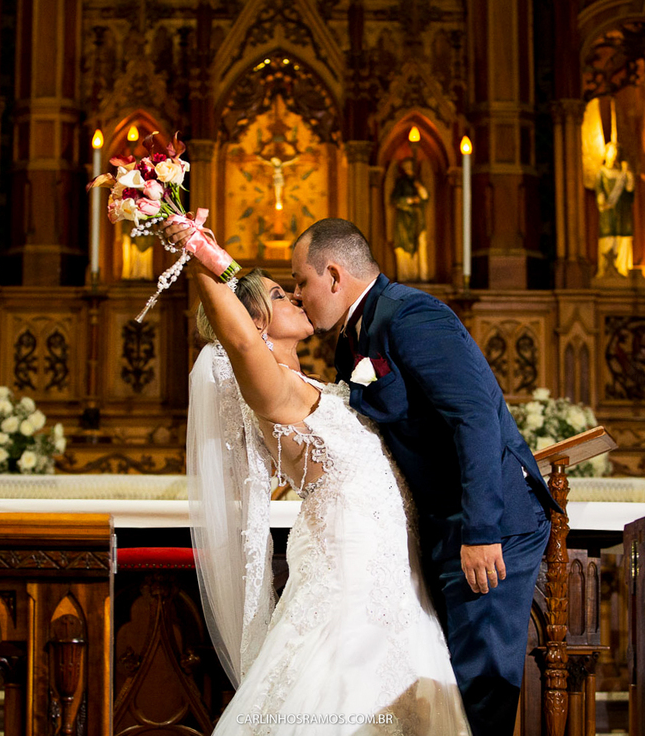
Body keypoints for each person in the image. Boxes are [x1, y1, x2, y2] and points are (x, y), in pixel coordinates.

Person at [290, 218, 559, 736]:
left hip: (489, 523)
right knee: (451, 681)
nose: (300, 295)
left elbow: (475, 416)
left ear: (333, 273)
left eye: (301, 281)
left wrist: (481, 530)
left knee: (481, 686)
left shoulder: (410, 315)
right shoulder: (355, 332)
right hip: (442, 523)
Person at [185, 259, 471, 734]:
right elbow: (236, 340)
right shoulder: (273, 392)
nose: (296, 297)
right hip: (349, 585)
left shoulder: (319, 388)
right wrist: (198, 256)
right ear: (253, 322)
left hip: (398, 583)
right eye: (280, 295)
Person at [595, 141, 634, 276]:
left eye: (616, 152)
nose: (614, 154)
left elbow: (630, 189)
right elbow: (599, 189)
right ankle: (605, 269)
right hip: (608, 211)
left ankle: (623, 268)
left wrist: (627, 172)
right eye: (611, 151)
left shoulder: (622, 173)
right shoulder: (602, 172)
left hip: (622, 212)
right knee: (607, 234)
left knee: (623, 236)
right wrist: (602, 202)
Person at [390, 158, 430, 282]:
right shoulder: (401, 182)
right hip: (404, 219)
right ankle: (405, 275)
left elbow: (425, 197)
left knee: (419, 243)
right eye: (406, 165)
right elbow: (395, 200)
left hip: (417, 219)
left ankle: (421, 275)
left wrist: (419, 188)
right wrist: (409, 201)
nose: (408, 167)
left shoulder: (417, 182)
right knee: (403, 245)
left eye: (410, 165)